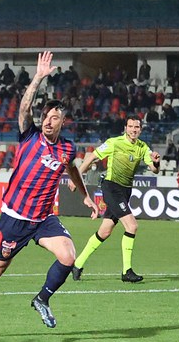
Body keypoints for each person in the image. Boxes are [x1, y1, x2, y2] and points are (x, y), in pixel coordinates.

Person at [0, 51, 99, 340]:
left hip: (44, 219)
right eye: (46, 117)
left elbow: (72, 169)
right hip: (15, 218)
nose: (48, 121)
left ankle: (42, 299)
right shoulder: (30, 136)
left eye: (54, 118)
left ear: (63, 121)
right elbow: (23, 110)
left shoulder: (66, 149)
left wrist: (85, 195)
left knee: (68, 255)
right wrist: (38, 76)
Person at [69, 115, 161, 283]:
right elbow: (91, 157)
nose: (134, 129)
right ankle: (127, 271)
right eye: (131, 126)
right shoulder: (114, 143)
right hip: (111, 187)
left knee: (104, 231)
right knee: (132, 225)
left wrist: (156, 162)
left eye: (137, 127)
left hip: (125, 190)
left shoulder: (142, 147)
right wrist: (77, 178)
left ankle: (78, 264)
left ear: (140, 129)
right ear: (125, 128)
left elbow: (154, 170)